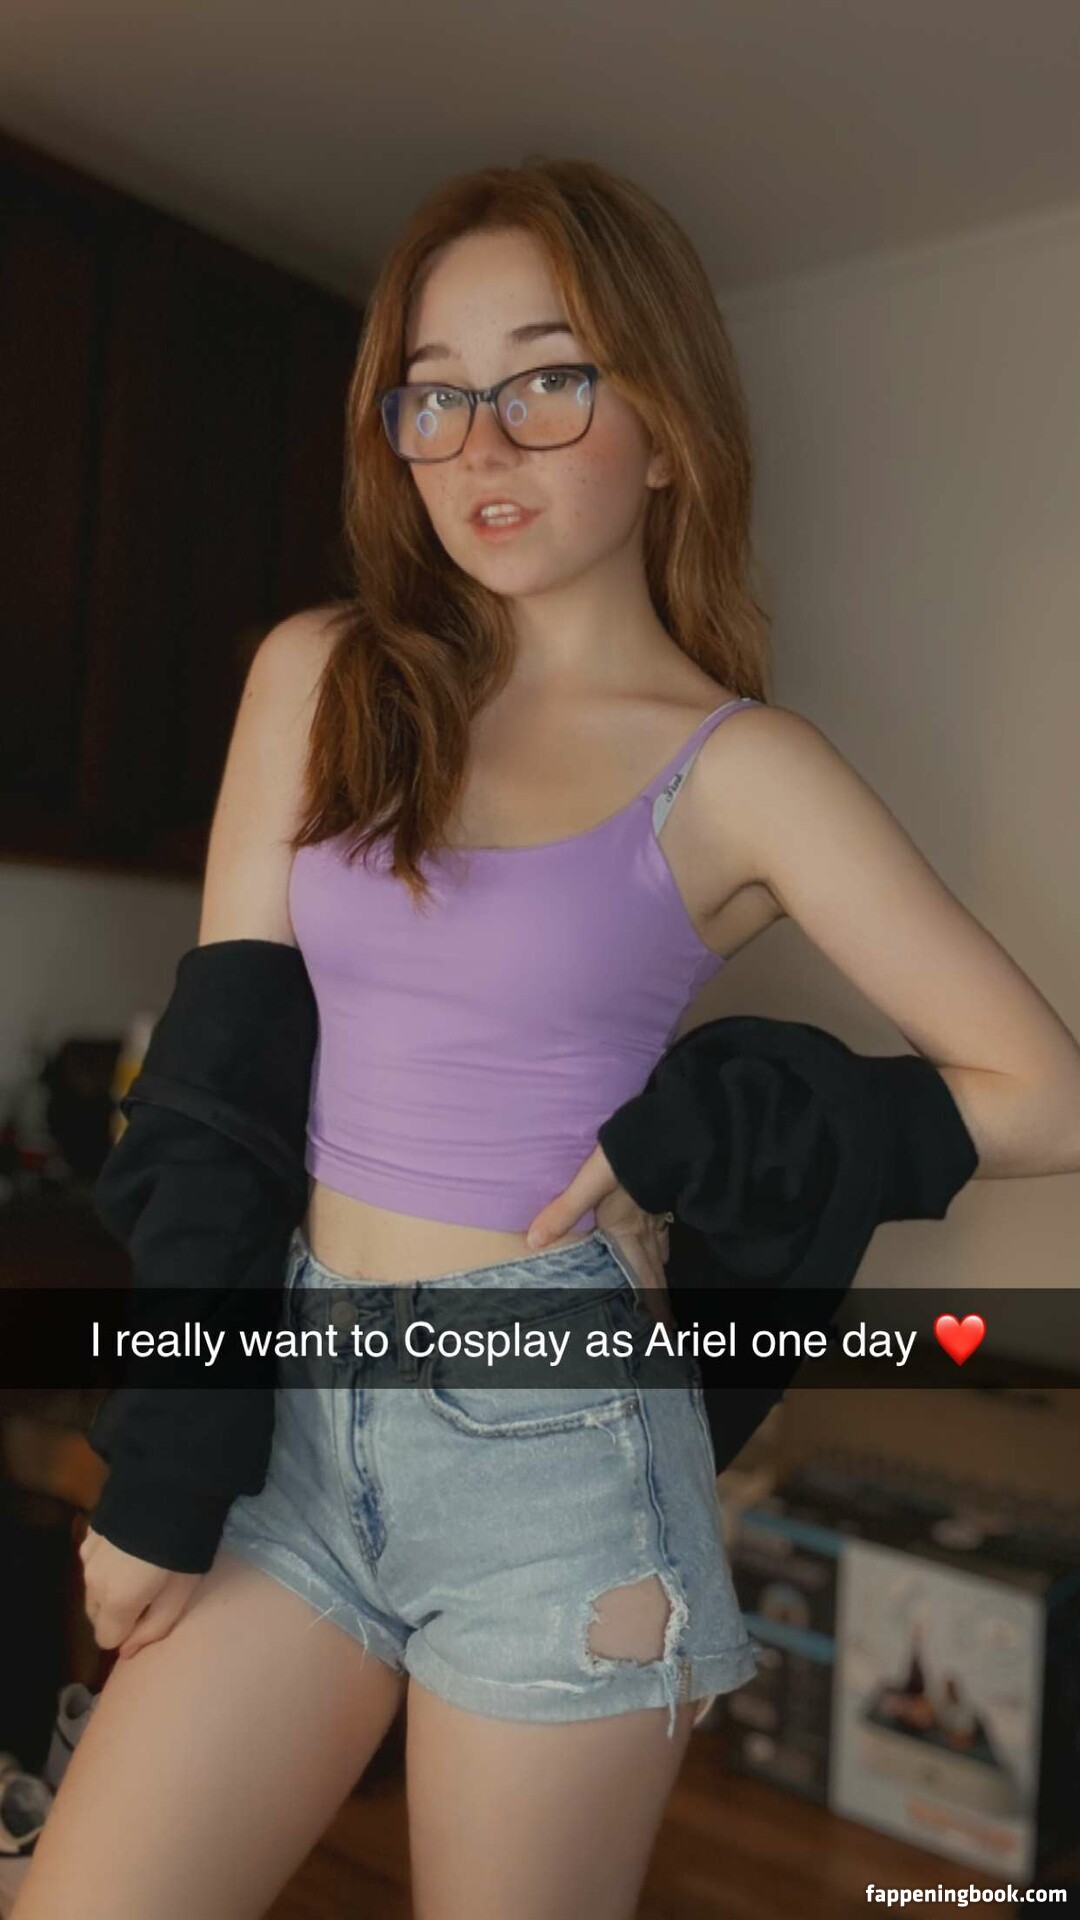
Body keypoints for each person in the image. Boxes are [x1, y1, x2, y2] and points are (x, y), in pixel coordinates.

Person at [15, 156, 1080, 1920]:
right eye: (434, 394)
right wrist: (170, 1454)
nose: (480, 445)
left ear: (666, 428)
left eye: (548, 380)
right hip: (287, 1406)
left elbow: (1043, 1092)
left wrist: (708, 1124)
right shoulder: (323, 678)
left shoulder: (742, 769)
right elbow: (212, 1094)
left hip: (564, 1463)